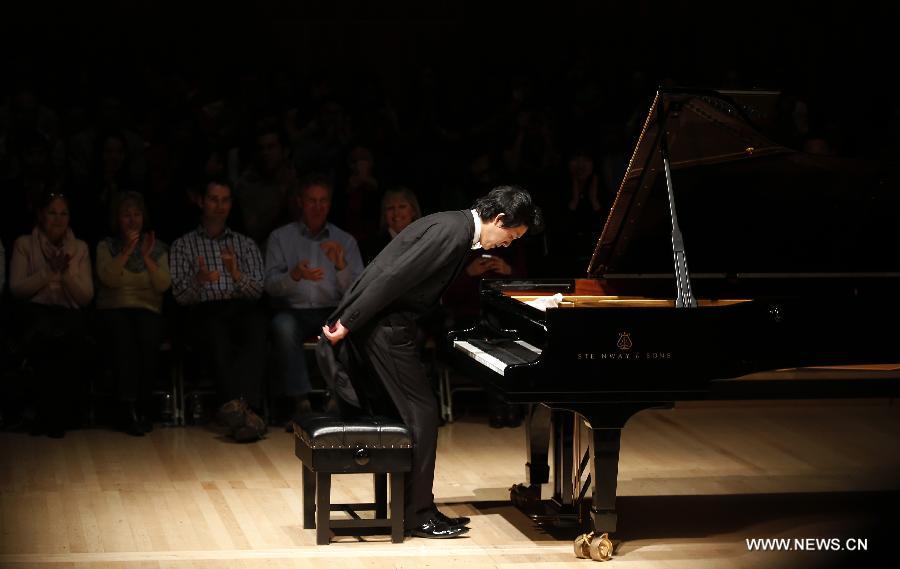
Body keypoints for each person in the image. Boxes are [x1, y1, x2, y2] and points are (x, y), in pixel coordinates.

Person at [322, 185, 542, 539]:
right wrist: (348, 320)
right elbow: (391, 275)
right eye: (511, 236)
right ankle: (418, 514)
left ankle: (414, 507)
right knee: (423, 413)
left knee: (419, 413)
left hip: (391, 328)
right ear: (499, 220)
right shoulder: (452, 232)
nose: (509, 244)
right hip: (385, 330)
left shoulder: (453, 227)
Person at [170, 178, 268, 442]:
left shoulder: (244, 244)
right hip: (203, 310)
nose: (219, 206)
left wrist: (236, 274)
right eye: (214, 199)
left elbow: (257, 291)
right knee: (215, 328)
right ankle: (238, 410)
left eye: (225, 200)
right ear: (202, 201)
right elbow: (179, 296)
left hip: (239, 307)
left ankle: (247, 409)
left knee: (257, 323)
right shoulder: (183, 245)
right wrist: (199, 280)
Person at [264, 176, 363, 423]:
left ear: (329, 204)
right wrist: (294, 275)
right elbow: (269, 287)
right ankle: (301, 402)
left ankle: (336, 400)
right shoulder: (280, 237)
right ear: (301, 202)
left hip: (332, 310)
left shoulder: (344, 240)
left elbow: (359, 292)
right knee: (283, 326)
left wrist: (341, 266)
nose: (317, 207)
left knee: (348, 326)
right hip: (293, 310)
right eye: (311, 201)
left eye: (323, 201)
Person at [9, 192, 94, 437]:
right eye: (52, 213)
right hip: (35, 312)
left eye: (63, 213)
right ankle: (46, 416)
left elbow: (86, 296)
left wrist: (66, 274)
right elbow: (17, 288)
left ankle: (59, 416)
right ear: (40, 215)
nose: (58, 219)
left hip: (68, 313)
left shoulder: (79, 248)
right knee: (45, 338)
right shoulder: (24, 244)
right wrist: (48, 272)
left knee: (68, 339)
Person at [95, 191, 171, 436]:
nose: (132, 219)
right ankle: (126, 407)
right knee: (123, 336)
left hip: (148, 310)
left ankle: (143, 405)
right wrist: (127, 251)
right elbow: (108, 278)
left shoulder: (158, 247)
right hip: (113, 310)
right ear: (117, 218)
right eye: (126, 214)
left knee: (147, 336)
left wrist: (147, 257)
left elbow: (162, 284)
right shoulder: (106, 246)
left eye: (136, 214)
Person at [361, 186, 421, 264]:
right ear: (384, 214)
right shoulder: (371, 246)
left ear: (413, 211)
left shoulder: (426, 239)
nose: (396, 213)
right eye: (390, 208)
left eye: (402, 206)